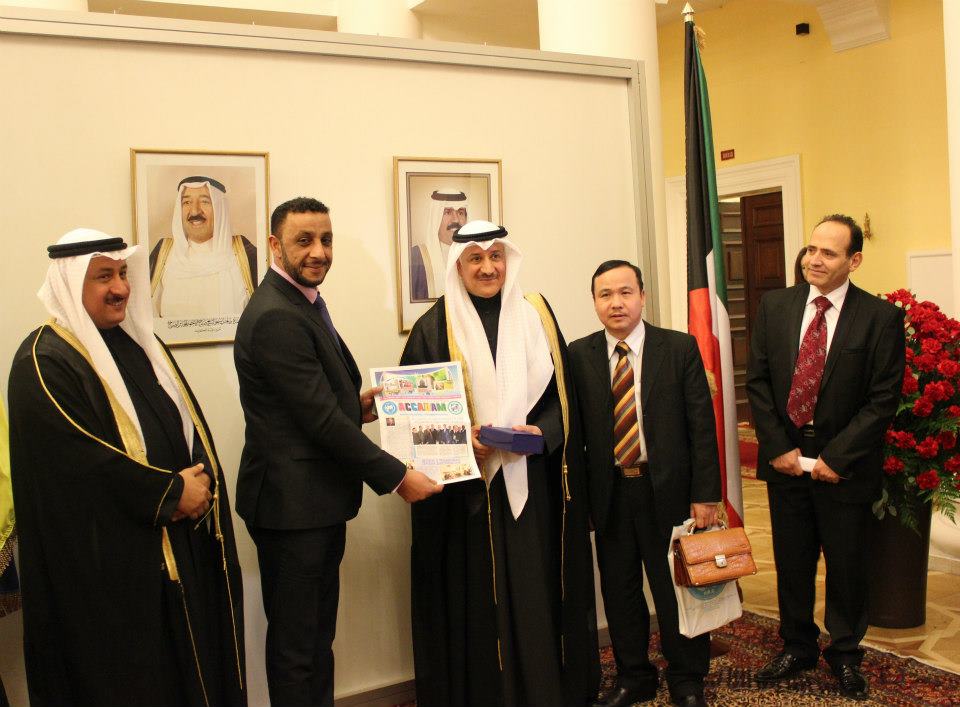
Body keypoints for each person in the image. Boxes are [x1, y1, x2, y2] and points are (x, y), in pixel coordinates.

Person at [7, 228, 246, 707]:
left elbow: (186, 426)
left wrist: (199, 483)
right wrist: (169, 494)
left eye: (122, 273)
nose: (119, 288)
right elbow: (81, 467)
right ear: (70, 283)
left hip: (177, 552)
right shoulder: (44, 360)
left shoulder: (139, 344)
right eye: (103, 276)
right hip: (107, 577)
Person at [234, 197, 440, 707]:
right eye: (304, 240)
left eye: (326, 240)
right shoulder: (276, 315)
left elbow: (310, 405)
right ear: (275, 245)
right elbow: (320, 422)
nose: (319, 251)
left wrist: (355, 404)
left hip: (311, 504)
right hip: (292, 510)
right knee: (298, 648)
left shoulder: (298, 302)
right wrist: (398, 476)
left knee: (315, 638)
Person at [400, 220, 600, 707]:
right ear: (458, 266)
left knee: (535, 594)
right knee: (478, 602)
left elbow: (563, 398)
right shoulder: (434, 328)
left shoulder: (536, 315)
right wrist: (461, 443)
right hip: (468, 499)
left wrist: (542, 434)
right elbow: (411, 418)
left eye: (496, 257)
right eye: (476, 259)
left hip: (534, 487)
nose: (488, 268)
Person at [746, 214, 905, 700]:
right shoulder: (775, 306)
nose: (814, 259)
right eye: (811, 249)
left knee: (847, 565)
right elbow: (758, 382)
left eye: (828, 253)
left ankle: (845, 654)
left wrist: (838, 457)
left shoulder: (879, 318)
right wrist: (778, 447)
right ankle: (797, 646)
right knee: (792, 563)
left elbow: (883, 399)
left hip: (845, 467)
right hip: (786, 461)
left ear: (854, 261)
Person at [569, 260, 721, 707]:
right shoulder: (578, 355)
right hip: (611, 493)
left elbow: (701, 427)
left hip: (668, 491)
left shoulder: (678, 348)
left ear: (642, 296)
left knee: (676, 591)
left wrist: (706, 494)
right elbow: (576, 434)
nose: (616, 303)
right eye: (605, 294)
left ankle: (687, 678)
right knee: (619, 592)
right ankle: (634, 675)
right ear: (594, 301)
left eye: (625, 292)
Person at [149, 176, 257, 318]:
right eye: (187, 202)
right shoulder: (163, 253)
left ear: (220, 209)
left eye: (205, 201)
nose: (194, 211)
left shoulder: (244, 253)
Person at [410, 188, 468, 300]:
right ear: (435, 218)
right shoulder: (415, 256)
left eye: (460, 212)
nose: (456, 220)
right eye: (448, 212)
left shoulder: (474, 255)